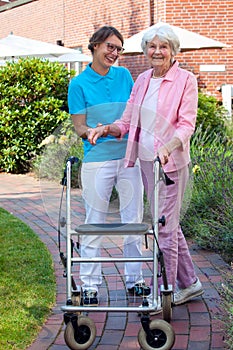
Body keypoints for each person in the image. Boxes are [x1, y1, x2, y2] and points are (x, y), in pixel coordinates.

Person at [87, 23, 204, 309]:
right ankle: (189, 284)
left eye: (163, 46)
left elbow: (187, 124)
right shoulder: (142, 81)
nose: (157, 51)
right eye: (152, 46)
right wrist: (107, 129)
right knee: (168, 225)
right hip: (145, 163)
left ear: (173, 50)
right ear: (145, 50)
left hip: (170, 166)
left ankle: (163, 290)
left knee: (164, 227)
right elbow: (127, 121)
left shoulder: (185, 80)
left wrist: (167, 148)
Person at [68, 26, 150, 306]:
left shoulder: (125, 76)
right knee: (94, 222)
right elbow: (79, 126)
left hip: (129, 158)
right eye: (109, 47)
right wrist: (96, 131)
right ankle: (90, 285)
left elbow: (133, 114)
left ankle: (135, 280)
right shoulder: (78, 84)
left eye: (118, 48)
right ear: (95, 46)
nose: (114, 53)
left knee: (133, 220)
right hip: (97, 160)